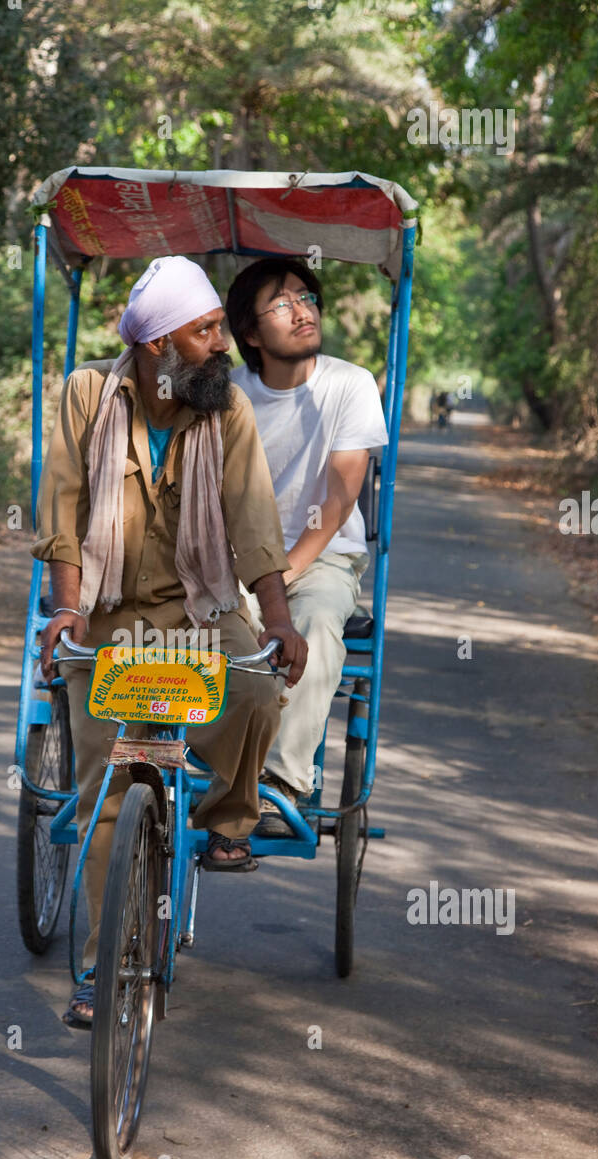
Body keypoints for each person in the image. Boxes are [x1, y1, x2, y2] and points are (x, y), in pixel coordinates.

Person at [32, 255, 308, 1026]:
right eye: (207, 330)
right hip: (110, 612)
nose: (223, 344)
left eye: (222, 327)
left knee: (256, 687)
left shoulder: (226, 409)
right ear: (158, 346)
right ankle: (95, 972)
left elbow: (254, 526)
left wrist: (278, 621)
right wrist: (66, 610)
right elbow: (61, 510)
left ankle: (225, 814)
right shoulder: (90, 394)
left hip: (200, 610)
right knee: (106, 783)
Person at [225, 257, 388, 820]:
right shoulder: (228, 392)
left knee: (315, 625)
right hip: (237, 559)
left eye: (307, 298)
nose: (302, 312)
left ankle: (280, 782)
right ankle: (183, 759)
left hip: (323, 562)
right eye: (282, 304)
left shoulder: (349, 383)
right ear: (250, 333)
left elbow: (340, 494)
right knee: (207, 630)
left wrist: (283, 575)